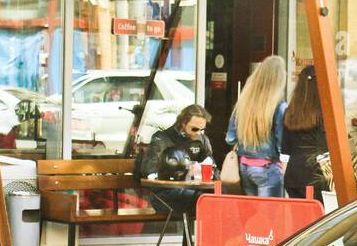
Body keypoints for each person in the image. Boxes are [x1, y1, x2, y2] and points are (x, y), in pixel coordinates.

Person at [226, 56, 288, 197]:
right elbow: (282, 145)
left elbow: (230, 138)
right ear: (279, 78)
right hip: (268, 167)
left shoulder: (244, 103)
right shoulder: (279, 106)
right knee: (269, 218)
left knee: (252, 214)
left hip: (244, 167)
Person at [282, 65, 328, 199]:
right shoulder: (322, 114)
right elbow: (323, 152)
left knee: (299, 217)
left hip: (292, 175)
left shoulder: (289, 112)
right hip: (315, 176)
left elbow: (285, 151)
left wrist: (285, 175)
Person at [139, 104, 212, 180]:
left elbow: (211, 165)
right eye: (194, 129)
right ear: (183, 123)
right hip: (168, 187)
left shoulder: (202, 139)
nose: (198, 133)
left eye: (202, 129)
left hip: (195, 186)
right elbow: (149, 170)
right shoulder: (161, 139)